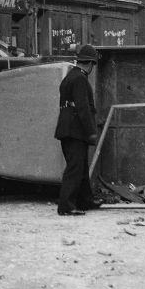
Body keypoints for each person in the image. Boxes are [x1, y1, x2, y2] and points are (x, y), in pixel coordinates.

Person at [53, 44, 101, 216]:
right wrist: (91, 131)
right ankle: (66, 206)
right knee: (75, 167)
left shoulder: (70, 77)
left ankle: (85, 200)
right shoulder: (80, 79)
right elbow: (83, 108)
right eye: (93, 65)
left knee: (80, 166)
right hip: (75, 130)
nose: (93, 68)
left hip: (68, 128)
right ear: (89, 63)